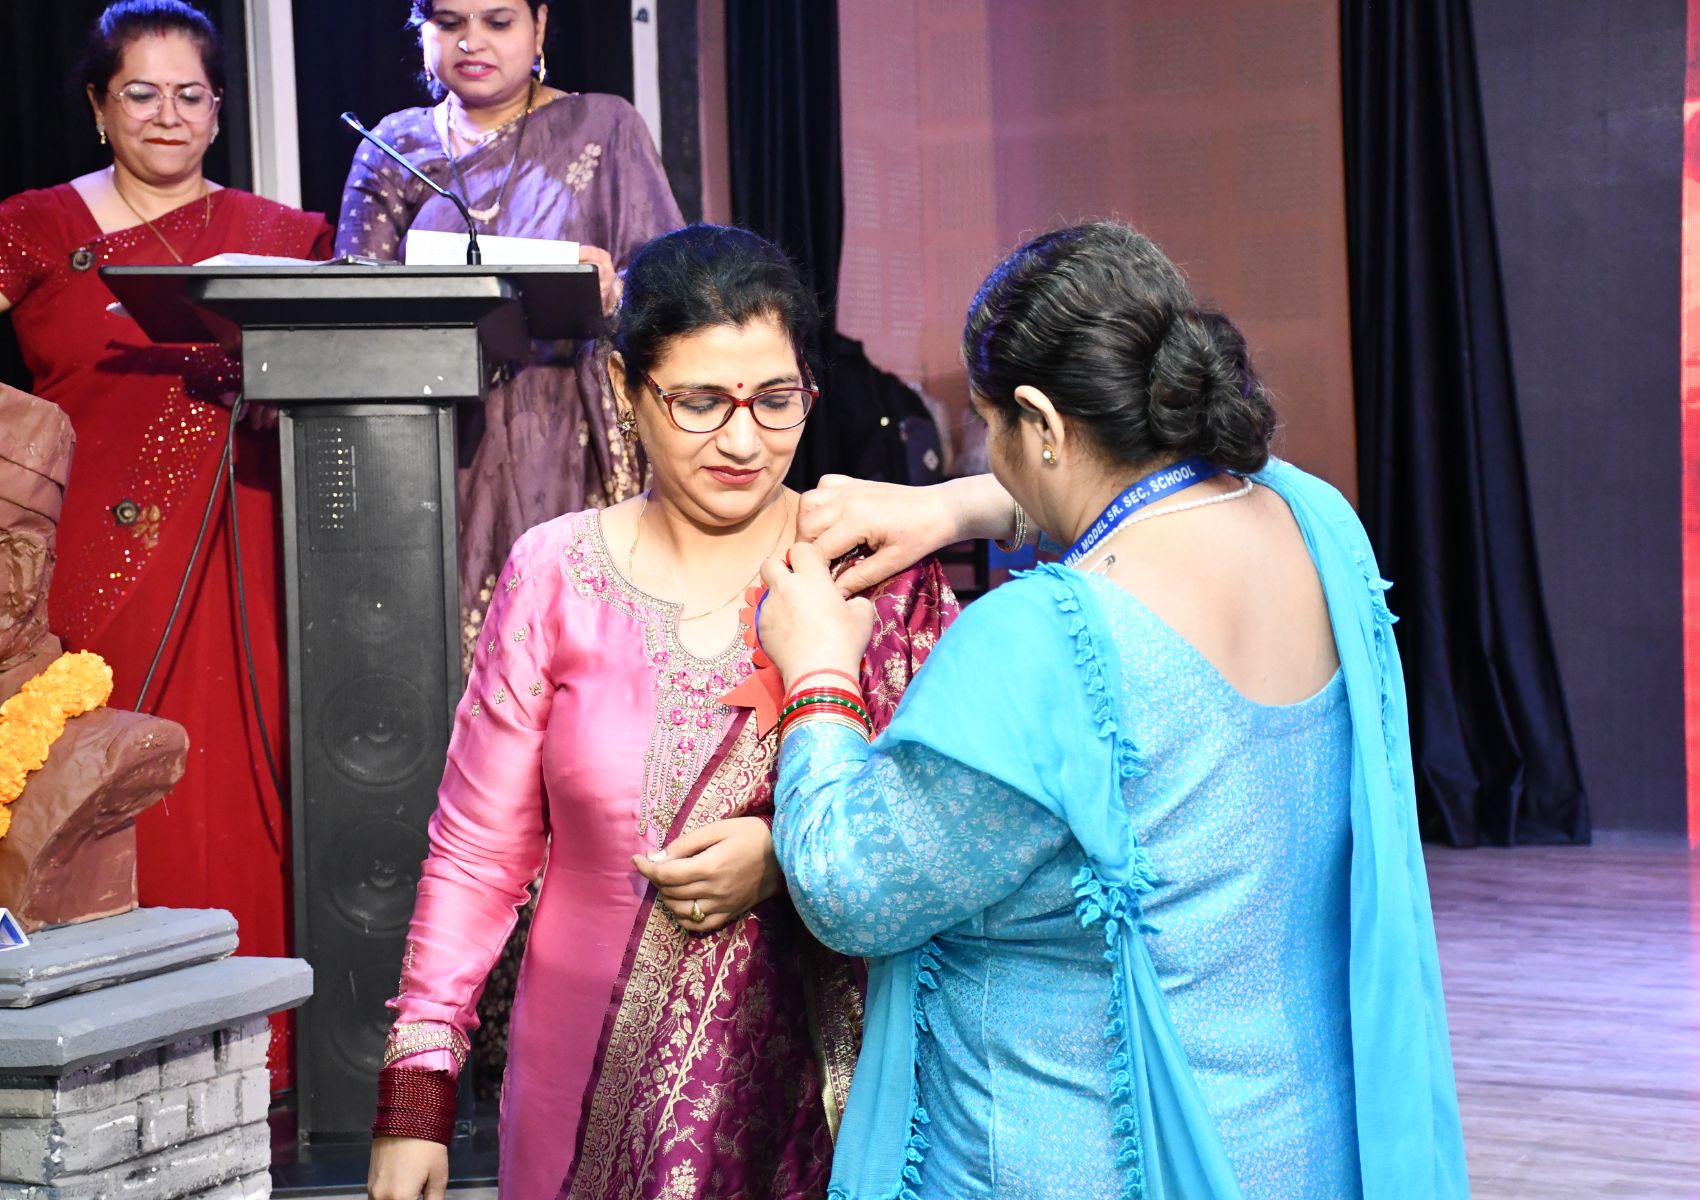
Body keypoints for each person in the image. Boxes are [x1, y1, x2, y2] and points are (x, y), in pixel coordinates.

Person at [755, 222, 1469, 1198]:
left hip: (1087, 1164)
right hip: (1295, 1143)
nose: (991, 451)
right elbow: (1145, 495)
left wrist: (817, 672)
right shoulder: (1316, 523)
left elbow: (849, 889)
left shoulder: (1038, 643)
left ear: (1042, 424)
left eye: (991, 426)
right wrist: (955, 507)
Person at [365, 224, 956, 1200]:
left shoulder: (869, 575)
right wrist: (418, 1088)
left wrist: (787, 858)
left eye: (776, 401)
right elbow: (476, 850)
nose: (743, 442)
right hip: (577, 1083)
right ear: (626, 388)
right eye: (700, 403)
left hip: (815, 1105)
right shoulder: (556, 573)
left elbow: (950, 829)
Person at [0, 0, 332, 1085]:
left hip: (243, 544)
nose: (167, 114)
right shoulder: (34, 226)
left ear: (219, 111)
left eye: (191, 94)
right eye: (140, 93)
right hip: (79, 566)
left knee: (237, 779)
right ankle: (96, 1066)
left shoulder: (283, 238)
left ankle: (260, 1067)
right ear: (98, 106)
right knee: (88, 788)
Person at [335, 0, 684, 649]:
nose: (472, 42)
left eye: (497, 22)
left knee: (574, 652)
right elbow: (354, 303)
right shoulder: (392, 146)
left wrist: (613, 291)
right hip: (434, 435)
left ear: (539, 26)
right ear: (422, 31)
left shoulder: (605, 126)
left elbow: (673, 288)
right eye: (449, 24)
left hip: (569, 431)